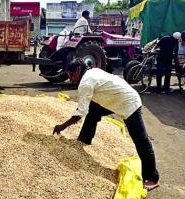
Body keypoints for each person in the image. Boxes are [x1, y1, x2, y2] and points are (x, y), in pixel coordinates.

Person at [53, 59, 160, 191]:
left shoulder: (86, 83)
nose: (71, 78)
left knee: (140, 139)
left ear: (79, 70)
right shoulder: (93, 71)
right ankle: (83, 141)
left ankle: (152, 177)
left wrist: (61, 126)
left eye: (72, 75)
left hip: (129, 103)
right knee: (93, 111)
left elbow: (80, 113)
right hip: (116, 98)